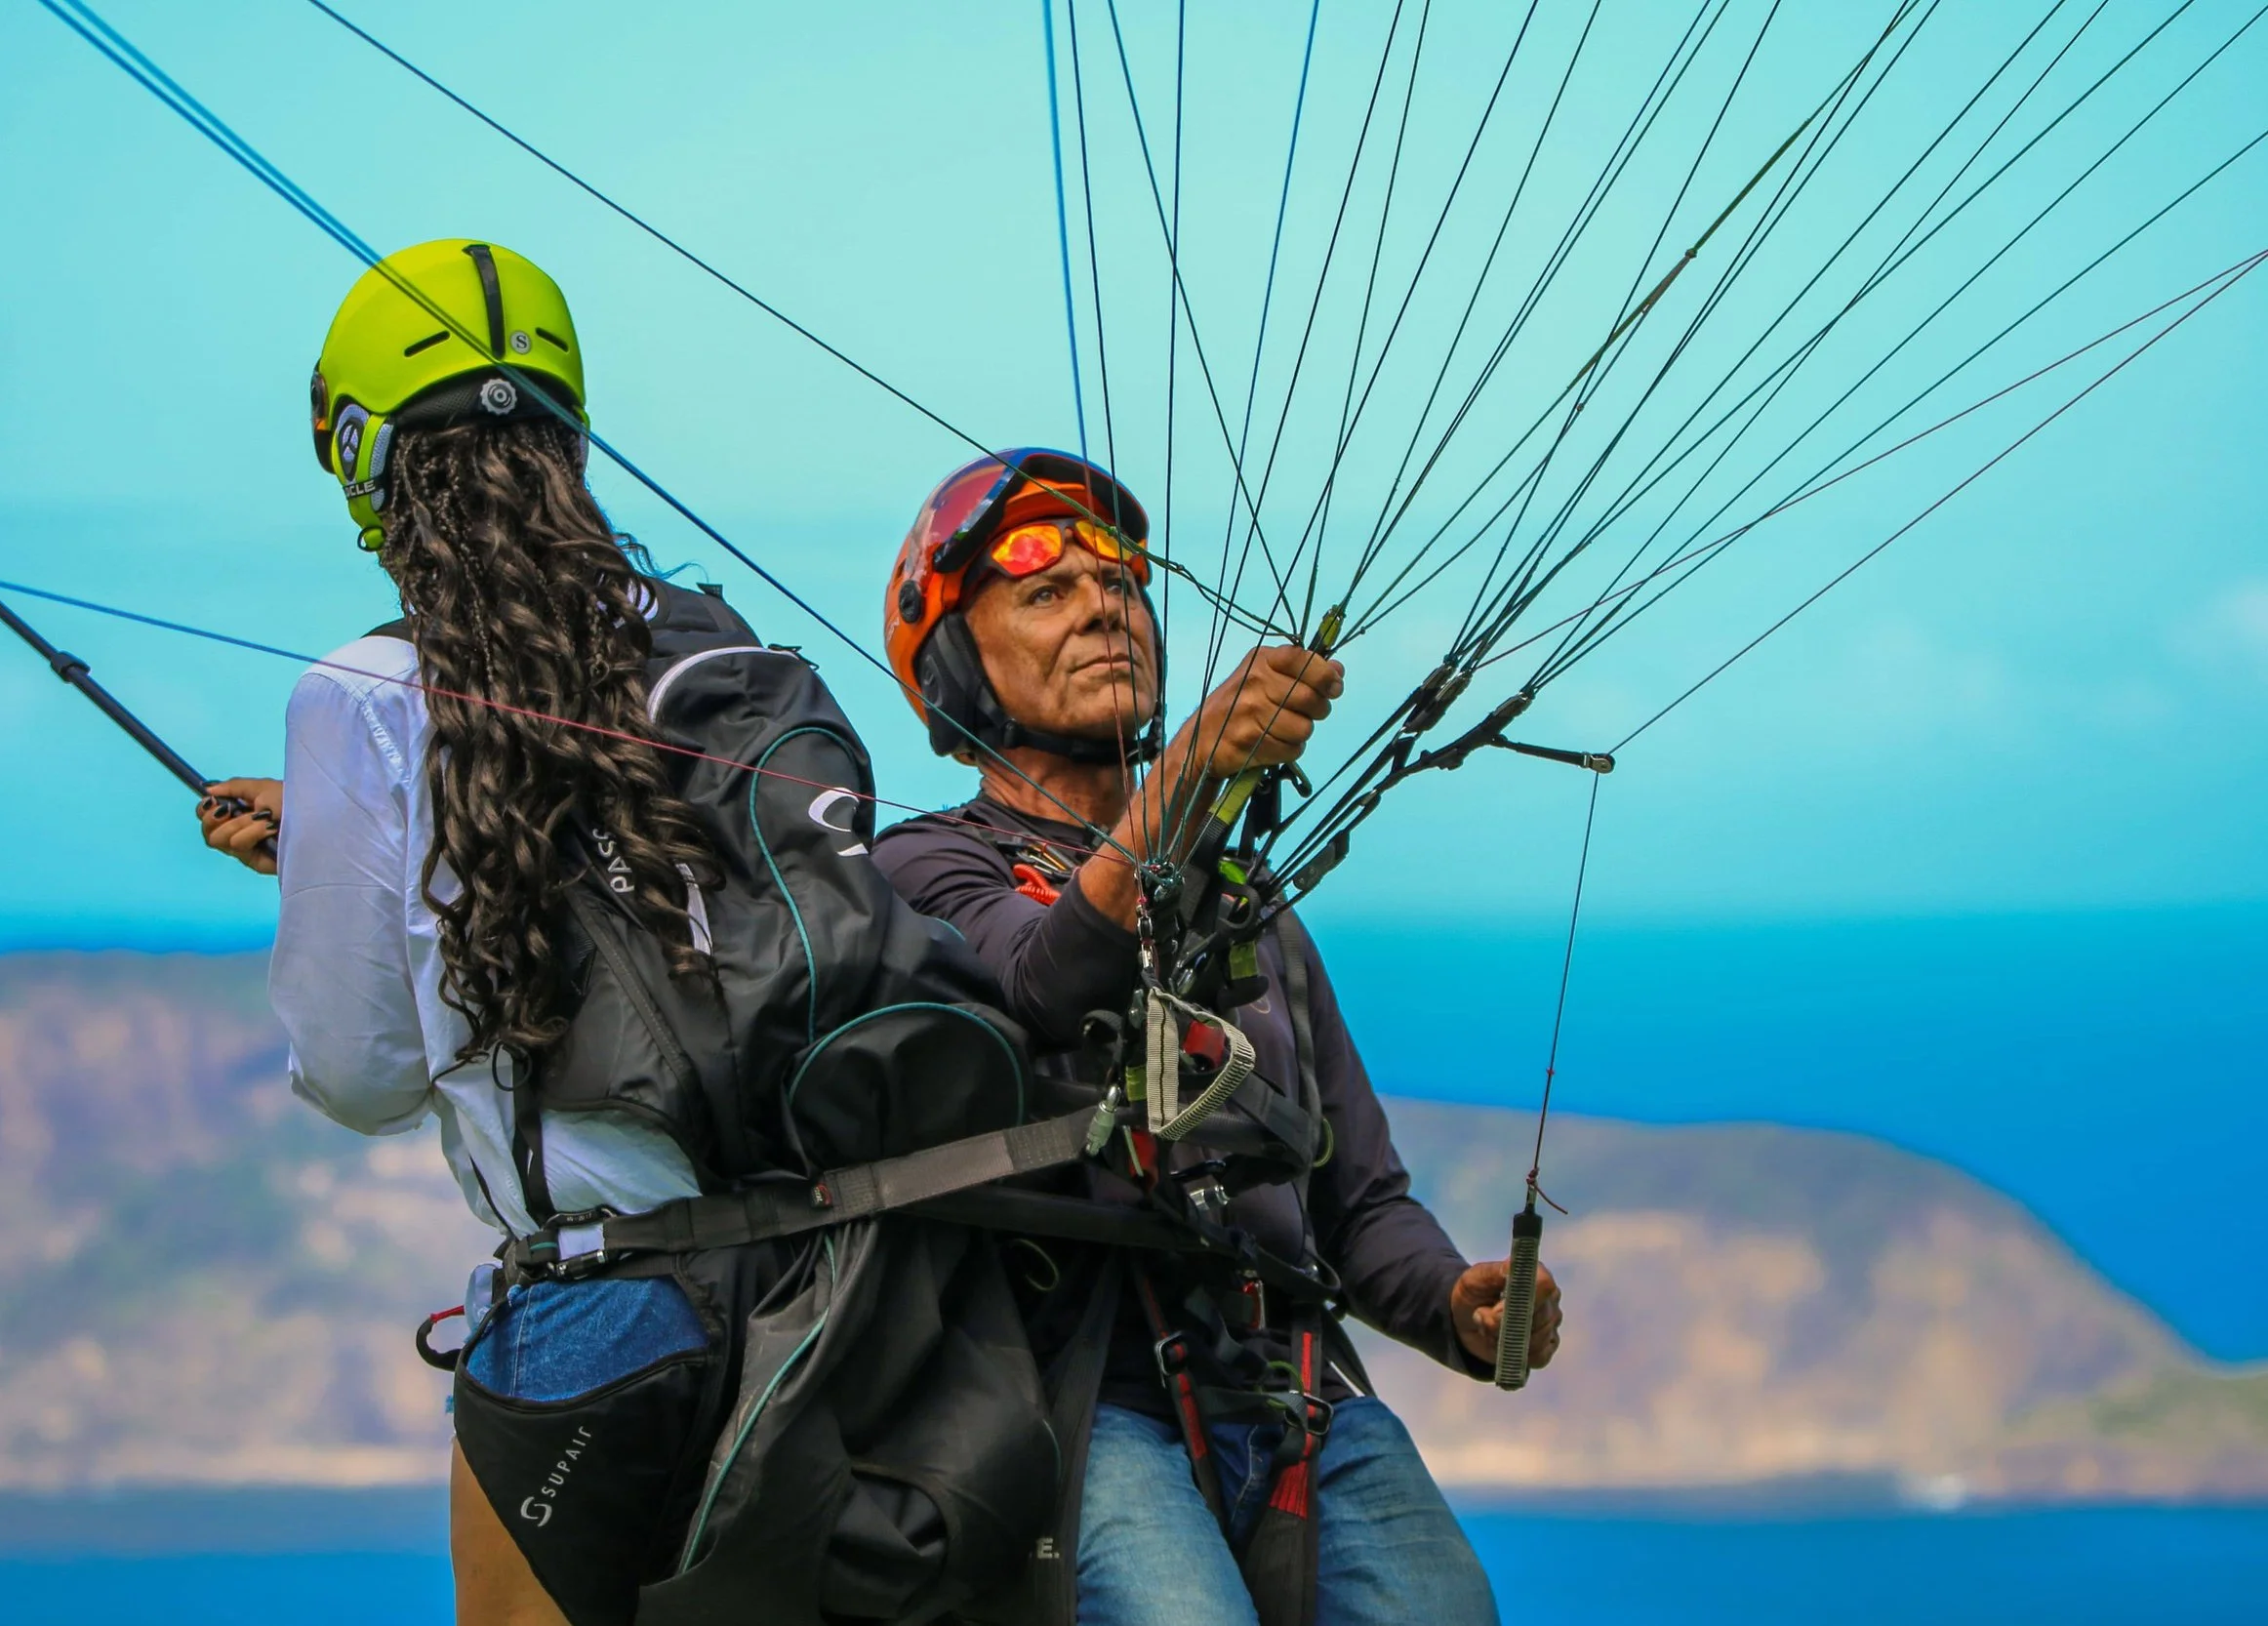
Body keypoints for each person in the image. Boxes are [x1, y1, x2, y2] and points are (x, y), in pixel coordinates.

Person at [199, 243, 1053, 1626]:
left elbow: (363, 1076)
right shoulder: (717, 649)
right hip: (837, 1293)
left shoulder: (365, 692)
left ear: (360, 448)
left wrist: (337, 884)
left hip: (599, 1314)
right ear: (566, 428)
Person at [871, 450, 1562, 1626]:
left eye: (1122, 585)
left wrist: (1454, 1299)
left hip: (1292, 1389)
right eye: (1044, 591)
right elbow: (1044, 981)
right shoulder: (925, 867)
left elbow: (1355, 1200)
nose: (1102, 605)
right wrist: (1195, 768)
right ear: (954, 665)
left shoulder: (1246, 907)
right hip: (1085, 1398)